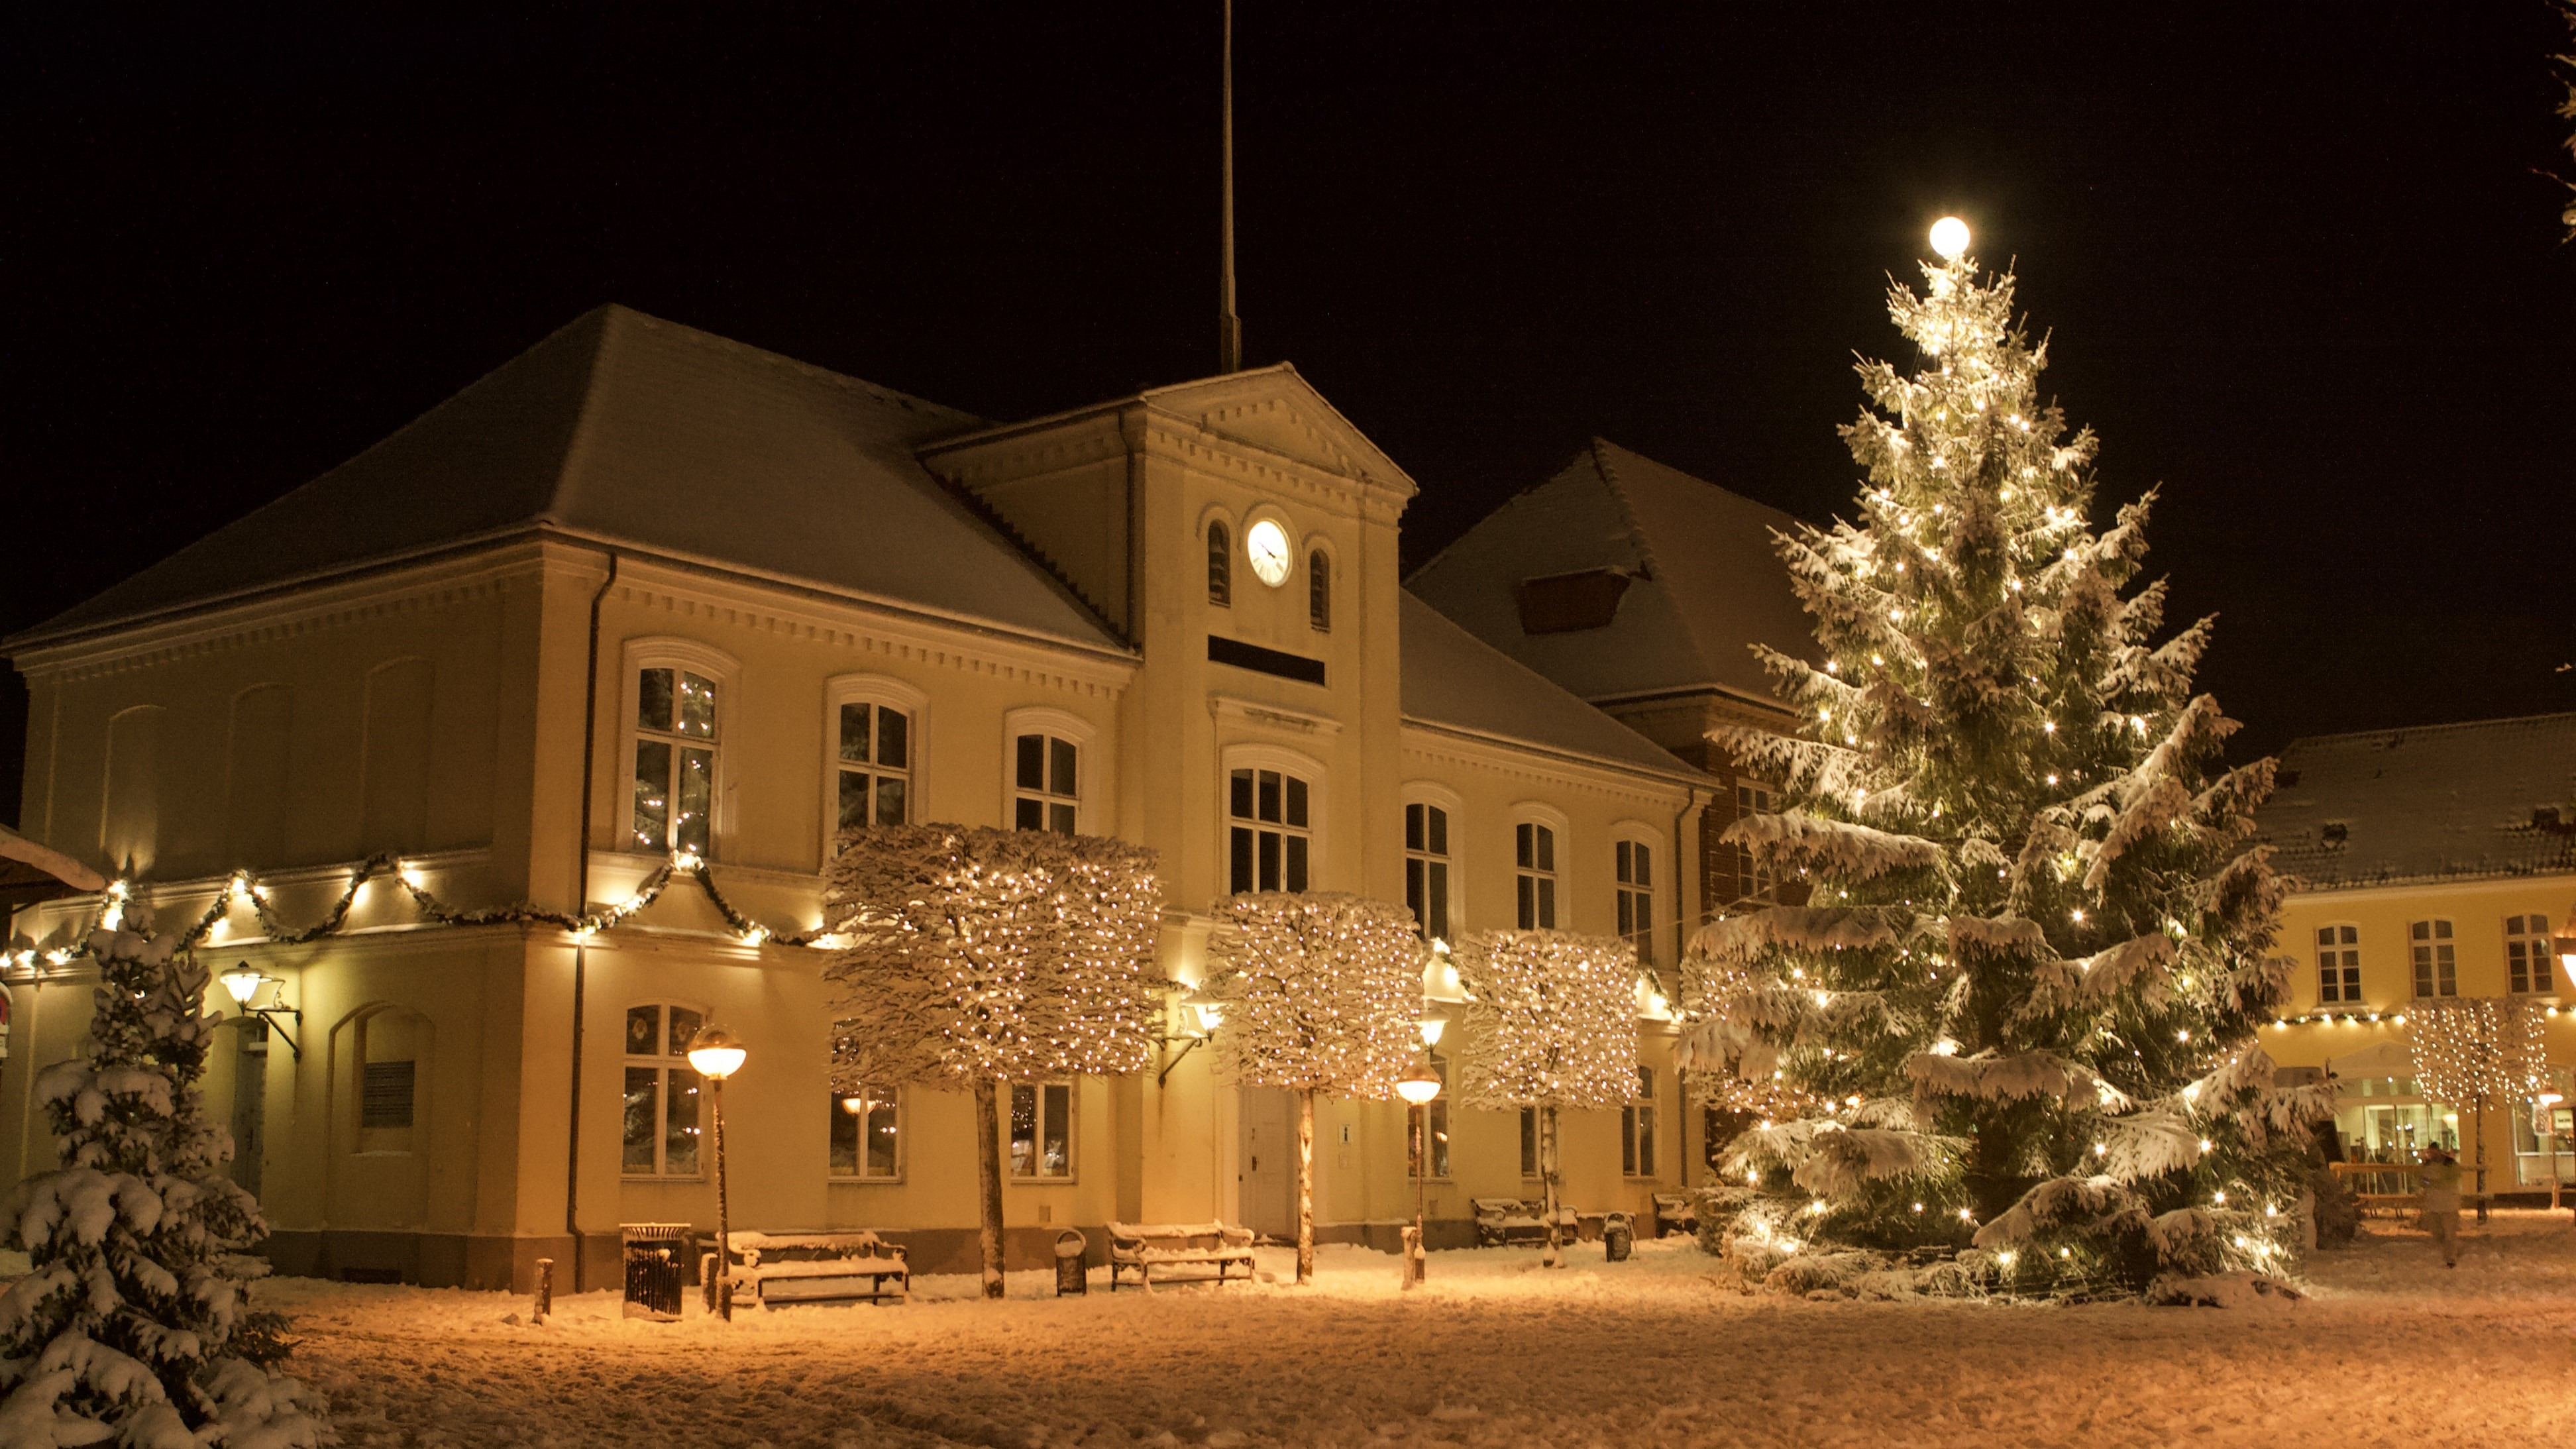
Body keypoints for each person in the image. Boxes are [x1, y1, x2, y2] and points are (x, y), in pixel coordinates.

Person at [2420, 1146, 2464, 1268]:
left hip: (2449, 1206)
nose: (2432, 1155)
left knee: (2449, 1233)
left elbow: (2450, 1180)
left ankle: (2451, 1258)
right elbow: (2422, 1180)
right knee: (2437, 1234)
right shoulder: (2427, 1167)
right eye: (2430, 1152)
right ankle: (2451, 1251)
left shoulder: (2451, 1166)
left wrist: (2433, 1183)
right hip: (2434, 1206)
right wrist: (2428, 1183)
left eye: (2434, 1152)